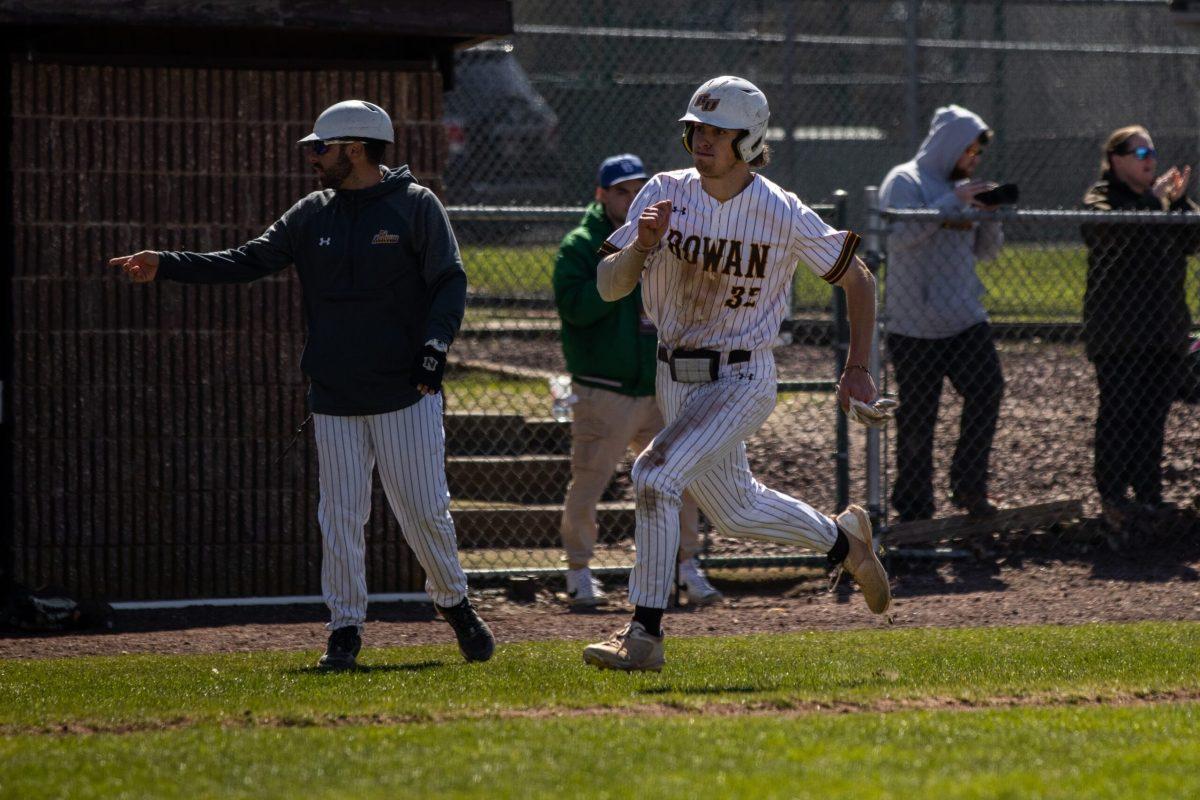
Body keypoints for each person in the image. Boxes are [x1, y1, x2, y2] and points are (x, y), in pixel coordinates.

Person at [108, 100, 495, 669]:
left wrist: (434, 350)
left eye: (321, 148)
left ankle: (454, 603)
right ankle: (344, 630)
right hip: (334, 396)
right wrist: (166, 263)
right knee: (339, 516)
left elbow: (449, 282)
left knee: (422, 510)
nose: (313, 157)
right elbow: (247, 260)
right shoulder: (312, 212)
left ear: (355, 149)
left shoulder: (416, 207)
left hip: (404, 392)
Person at [581, 76, 891, 672]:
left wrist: (856, 369)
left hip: (744, 376)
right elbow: (608, 286)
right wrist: (642, 246)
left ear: (749, 140)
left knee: (654, 475)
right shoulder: (664, 192)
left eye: (719, 131)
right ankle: (845, 542)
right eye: (696, 128)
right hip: (676, 376)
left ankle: (643, 634)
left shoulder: (779, 209)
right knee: (736, 509)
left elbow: (860, 279)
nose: (703, 139)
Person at [553, 154, 723, 609]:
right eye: (620, 191)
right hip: (603, 388)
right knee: (589, 482)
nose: (631, 198)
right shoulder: (580, 245)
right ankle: (578, 572)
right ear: (601, 195)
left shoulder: (665, 235)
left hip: (660, 385)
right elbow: (575, 308)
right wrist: (622, 272)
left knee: (680, 479)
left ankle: (685, 568)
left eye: (637, 189)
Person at [878, 104, 1006, 523]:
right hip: (913, 325)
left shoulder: (964, 187)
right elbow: (899, 237)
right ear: (949, 146)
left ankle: (969, 485)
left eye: (977, 153)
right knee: (917, 419)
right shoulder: (905, 180)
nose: (973, 160)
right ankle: (914, 510)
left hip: (965, 318)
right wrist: (951, 201)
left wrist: (989, 217)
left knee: (988, 390)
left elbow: (986, 252)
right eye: (968, 150)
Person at [1081, 125, 1199, 530]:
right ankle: (1113, 496)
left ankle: (1149, 496)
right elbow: (1106, 230)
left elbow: (1193, 240)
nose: (1151, 160)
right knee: (1119, 413)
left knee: (1153, 417)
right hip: (1119, 336)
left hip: (1164, 332)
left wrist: (1180, 204)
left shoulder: (1163, 202)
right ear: (1117, 160)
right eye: (1141, 153)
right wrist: (1154, 201)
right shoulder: (1103, 196)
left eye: (1153, 152)